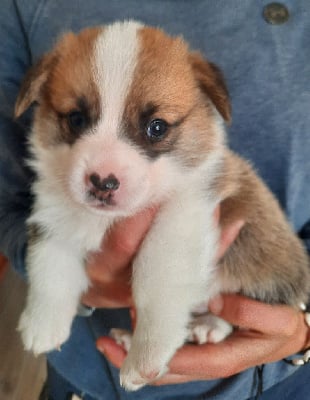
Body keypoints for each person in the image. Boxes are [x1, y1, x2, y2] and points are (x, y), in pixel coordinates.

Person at [0, 1, 309, 399]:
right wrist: (57, 297)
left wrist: (303, 327)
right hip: (87, 385)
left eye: (155, 127)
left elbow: (177, 242)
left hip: (285, 375)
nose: (106, 169)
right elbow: (28, 216)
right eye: (78, 120)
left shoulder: (189, 173)